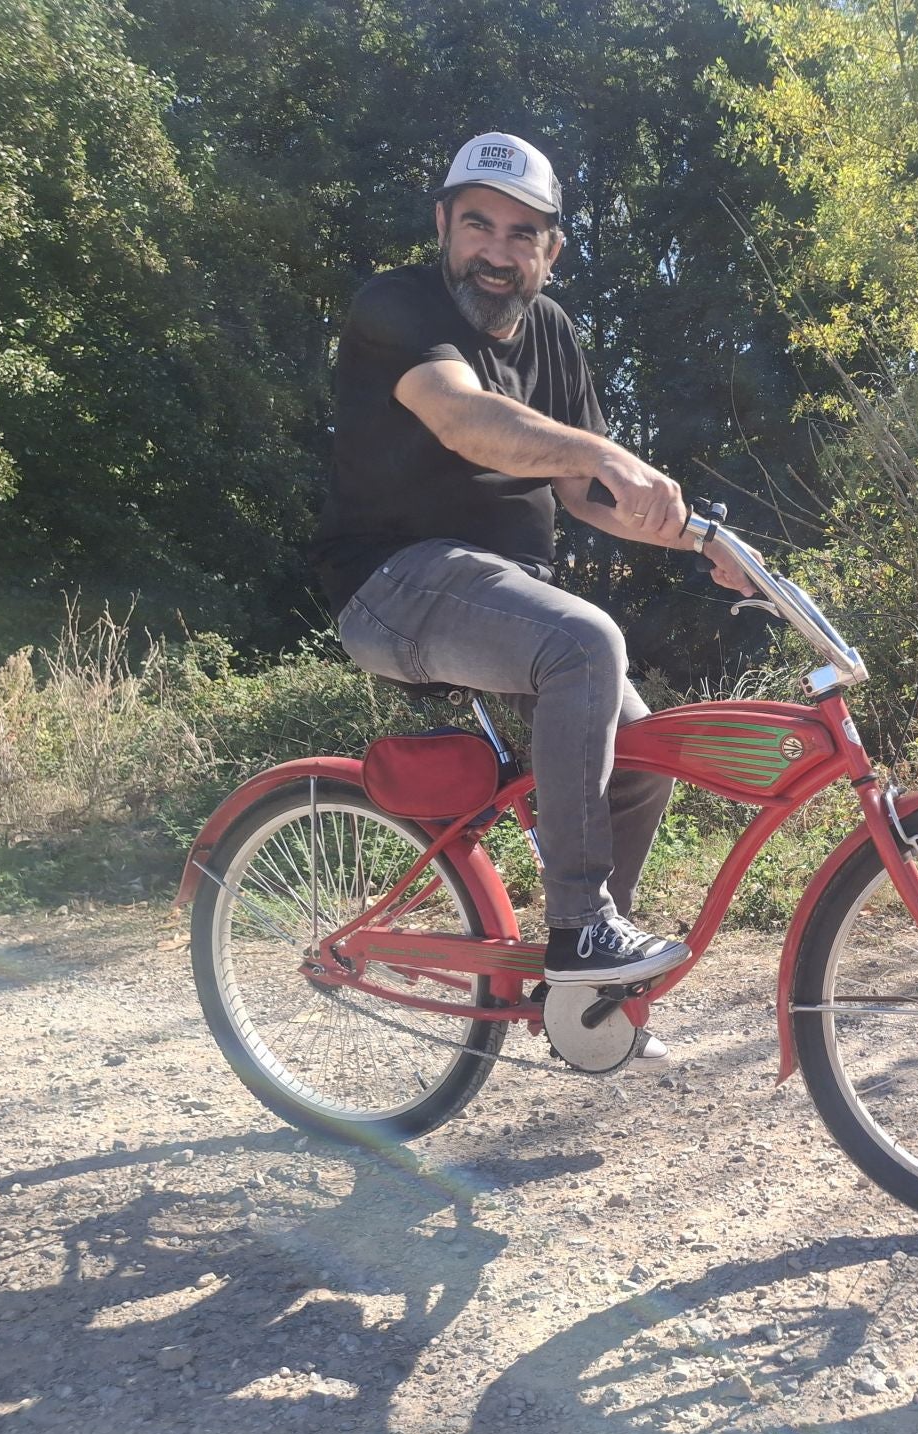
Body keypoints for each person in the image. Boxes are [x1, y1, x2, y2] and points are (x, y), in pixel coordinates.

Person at [311, 130, 756, 988]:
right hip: (392, 581)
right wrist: (605, 451)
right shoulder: (397, 307)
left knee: (641, 758)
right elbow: (464, 419)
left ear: (551, 249)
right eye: (479, 225)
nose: (496, 252)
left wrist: (704, 540)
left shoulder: (551, 331)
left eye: (523, 235)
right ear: (443, 223)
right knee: (584, 641)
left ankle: (584, 1000)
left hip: (502, 591)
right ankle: (580, 928)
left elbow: (588, 496)